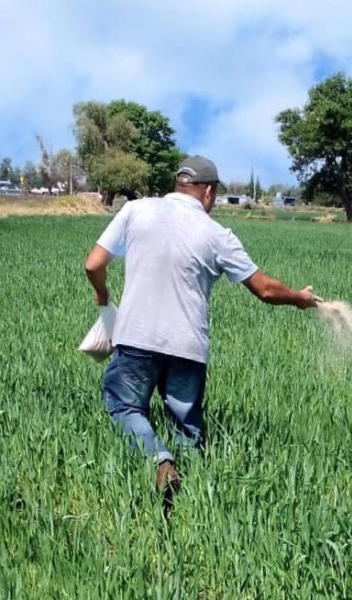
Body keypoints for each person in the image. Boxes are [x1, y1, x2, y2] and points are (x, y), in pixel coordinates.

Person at [84, 155, 321, 495]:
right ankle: (193, 506)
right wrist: (300, 298)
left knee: (124, 405)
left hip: (135, 338)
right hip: (187, 348)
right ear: (208, 192)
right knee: (186, 428)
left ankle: (158, 460)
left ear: (178, 184)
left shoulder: (136, 210)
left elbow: (93, 264)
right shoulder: (217, 234)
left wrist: (102, 294)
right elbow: (265, 290)